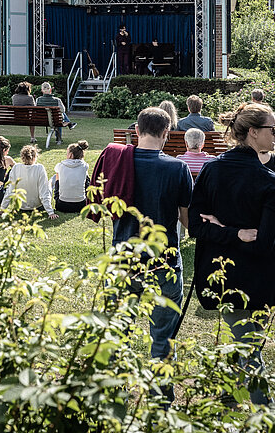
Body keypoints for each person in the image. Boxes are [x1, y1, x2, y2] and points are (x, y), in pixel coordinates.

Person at [188, 102, 275, 404]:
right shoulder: (268, 180)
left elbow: (201, 226)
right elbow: (195, 227)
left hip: (223, 271)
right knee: (249, 347)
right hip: (254, 277)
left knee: (244, 342)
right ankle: (265, 412)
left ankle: (227, 402)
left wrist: (222, 227)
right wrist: (237, 232)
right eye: (272, 129)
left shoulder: (212, 169)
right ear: (253, 132)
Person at [105, 107, 193, 380]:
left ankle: (114, 395)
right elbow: (187, 222)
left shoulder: (118, 163)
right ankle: (161, 399)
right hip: (163, 261)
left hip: (123, 256)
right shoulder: (177, 167)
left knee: (118, 333)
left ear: (137, 130)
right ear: (167, 133)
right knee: (164, 338)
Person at [1, 144, 57, 218]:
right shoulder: (39, 168)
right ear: (34, 157)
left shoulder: (16, 168)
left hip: (20, 206)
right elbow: (44, 192)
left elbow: (10, 190)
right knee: (50, 184)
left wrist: (2, 209)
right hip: (37, 206)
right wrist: (50, 212)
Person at [53, 140, 89, 213]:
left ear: (71, 155)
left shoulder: (60, 165)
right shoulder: (84, 166)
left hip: (61, 205)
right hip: (81, 205)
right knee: (86, 178)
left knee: (57, 176)